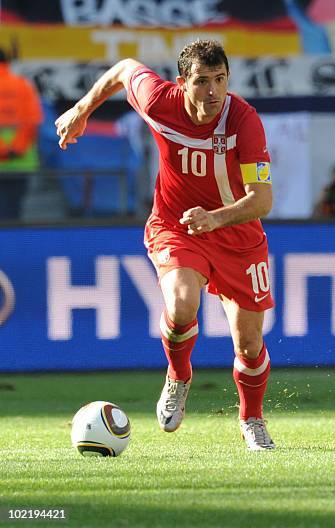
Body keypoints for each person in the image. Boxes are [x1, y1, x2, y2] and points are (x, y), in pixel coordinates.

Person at [55, 40, 276, 450]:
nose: (213, 92)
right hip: (177, 226)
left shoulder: (243, 120)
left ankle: (252, 419)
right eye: (202, 81)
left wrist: (216, 218)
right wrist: (82, 110)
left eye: (221, 80)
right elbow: (123, 69)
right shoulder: (159, 101)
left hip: (237, 235)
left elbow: (262, 200)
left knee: (248, 343)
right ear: (182, 83)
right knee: (180, 304)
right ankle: (178, 374)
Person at [0, 48, 43, 219]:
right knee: (14, 213)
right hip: (21, 160)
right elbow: (33, 120)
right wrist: (16, 148)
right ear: (8, 62)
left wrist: (2, 150)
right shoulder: (23, 85)